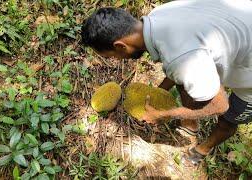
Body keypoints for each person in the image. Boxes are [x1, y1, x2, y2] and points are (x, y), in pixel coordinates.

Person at [81, 0, 252, 165]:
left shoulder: (181, 58)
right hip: (240, 22)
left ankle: (203, 149)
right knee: (183, 81)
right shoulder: (158, 15)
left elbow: (221, 106)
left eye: (112, 56)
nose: (117, 60)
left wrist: (165, 115)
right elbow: (179, 63)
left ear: (120, 46)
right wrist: (158, 92)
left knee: (228, 120)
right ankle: (190, 124)